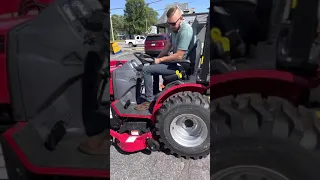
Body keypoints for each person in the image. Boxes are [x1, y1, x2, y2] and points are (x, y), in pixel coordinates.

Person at [135, 6, 194, 111]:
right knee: (153, 66)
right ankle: (155, 94)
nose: (171, 26)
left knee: (146, 70)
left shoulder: (185, 30)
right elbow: (167, 47)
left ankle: (148, 102)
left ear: (181, 18)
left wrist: (160, 60)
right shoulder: (175, 30)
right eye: (169, 24)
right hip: (177, 62)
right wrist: (156, 59)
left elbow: (179, 55)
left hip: (182, 65)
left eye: (173, 24)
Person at [78, 0, 110, 155]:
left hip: (93, 58)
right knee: (91, 94)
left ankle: (94, 133)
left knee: (89, 95)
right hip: (95, 58)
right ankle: (95, 130)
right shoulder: (100, 15)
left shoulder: (101, 17)